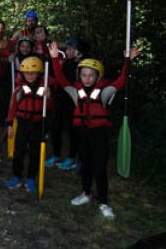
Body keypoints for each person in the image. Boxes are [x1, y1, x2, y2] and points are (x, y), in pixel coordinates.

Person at [49, 41, 140, 220]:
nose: (87, 78)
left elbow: (121, 81)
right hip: (83, 132)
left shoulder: (105, 92)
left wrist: (128, 61)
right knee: (85, 165)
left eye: (91, 75)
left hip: (99, 135)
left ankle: (104, 202)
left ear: (98, 76)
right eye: (84, 75)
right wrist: (54, 59)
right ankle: (86, 193)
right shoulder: (76, 91)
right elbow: (60, 79)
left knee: (99, 168)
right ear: (79, 75)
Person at [5, 56, 53, 192]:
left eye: (33, 73)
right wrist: (9, 124)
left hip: (38, 124)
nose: (30, 76)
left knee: (35, 152)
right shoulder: (20, 90)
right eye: (27, 73)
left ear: (39, 74)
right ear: (22, 74)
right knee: (18, 151)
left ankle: (31, 178)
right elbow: (12, 108)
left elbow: (50, 108)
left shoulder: (45, 89)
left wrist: (48, 97)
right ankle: (17, 176)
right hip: (23, 123)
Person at [46, 38, 83, 170]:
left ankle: (72, 157)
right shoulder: (66, 62)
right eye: (67, 49)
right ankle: (56, 155)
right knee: (55, 127)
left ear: (79, 52)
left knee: (73, 131)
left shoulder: (79, 66)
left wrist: (55, 58)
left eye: (70, 49)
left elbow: (63, 80)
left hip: (72, 102)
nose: (67, 51)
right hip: (60, 99)